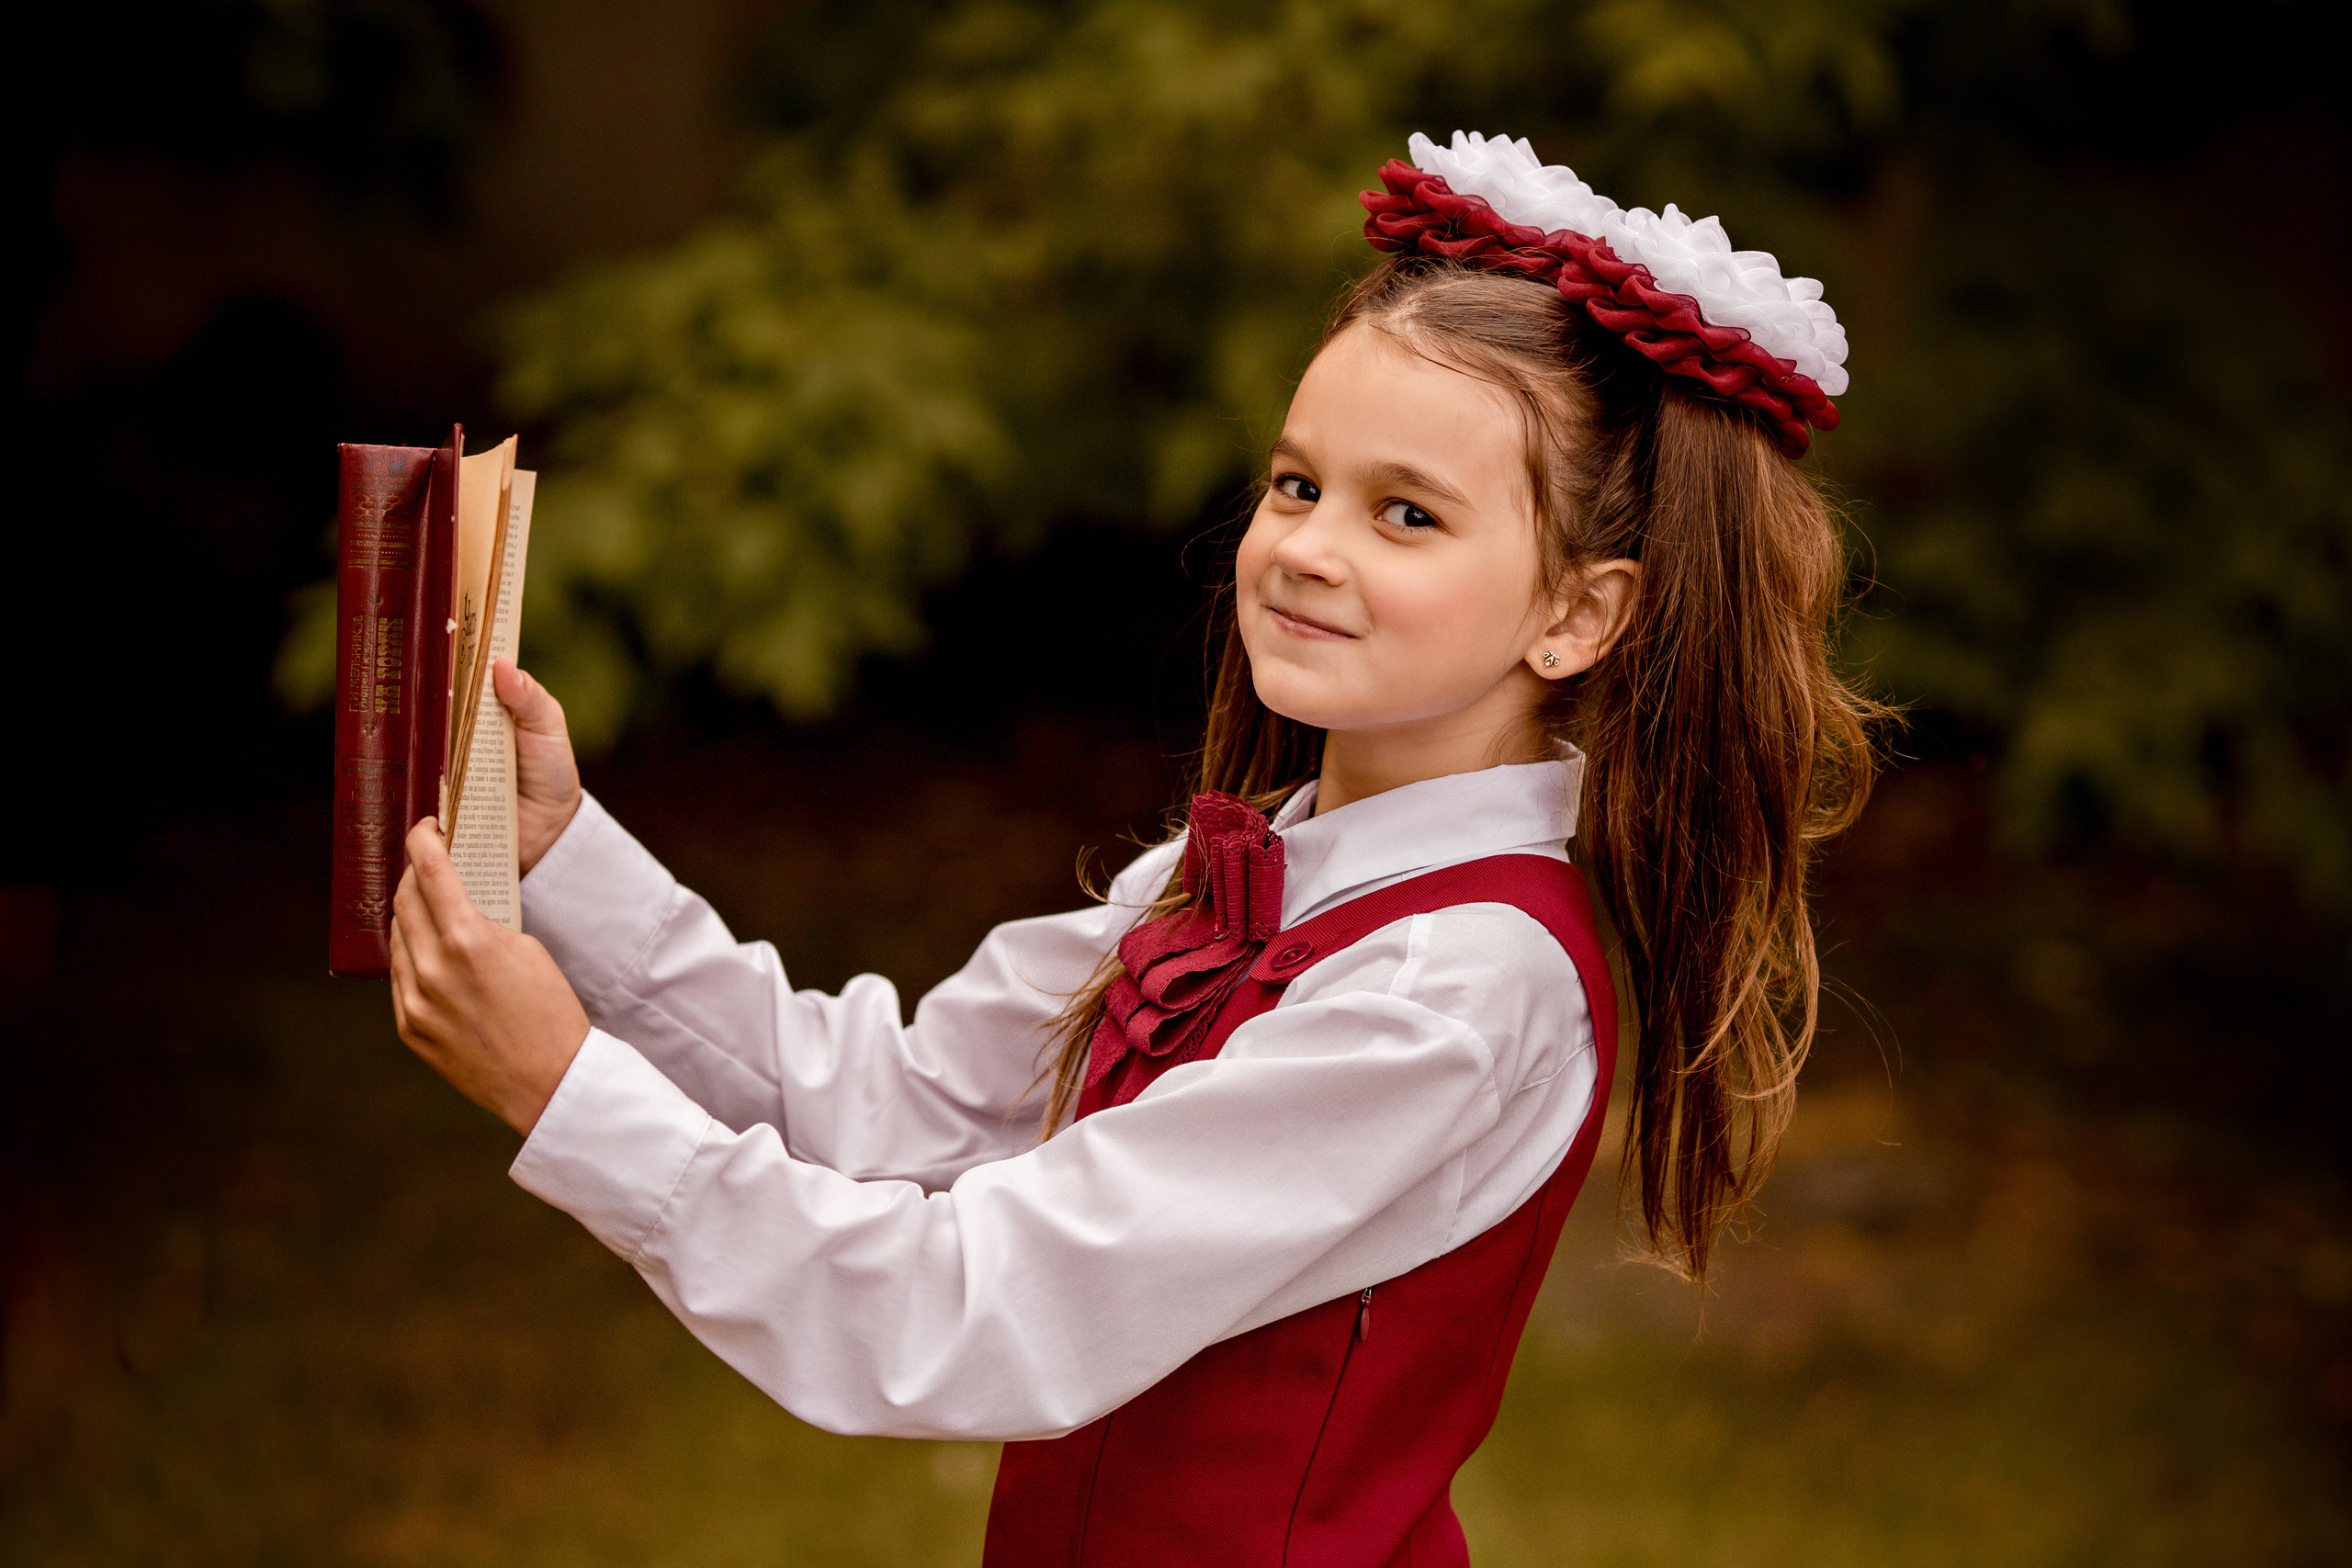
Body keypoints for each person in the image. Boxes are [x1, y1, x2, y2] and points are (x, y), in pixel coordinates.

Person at [386, 131, 1880, 1566]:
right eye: (1297, 483)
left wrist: (560, 1092)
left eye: (1406, 515)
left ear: (1579, 615)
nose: (1306, 545)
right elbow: (886, 1106)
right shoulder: (1249, 873)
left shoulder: (1461, 986)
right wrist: (560, 848)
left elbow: (967, 1310)